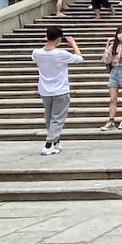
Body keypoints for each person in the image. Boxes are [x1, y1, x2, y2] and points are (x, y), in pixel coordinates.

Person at [31, 25, 83, 156]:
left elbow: (41, 55)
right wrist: (73, 44)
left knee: (49, 118)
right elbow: (79, 58)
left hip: (45, 90)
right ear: (59, 38)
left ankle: (55, 141)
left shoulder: (36, 53)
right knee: (58, 118)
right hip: (60, 90)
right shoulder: (61, 54)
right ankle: (49, 143)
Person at [100, 26, 122, 131]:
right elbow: (106, 60)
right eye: (119, 33)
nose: (120, 35)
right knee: (112, 99)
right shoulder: (113, 46)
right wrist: (107, 45)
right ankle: (111, 121)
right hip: (114, 72)